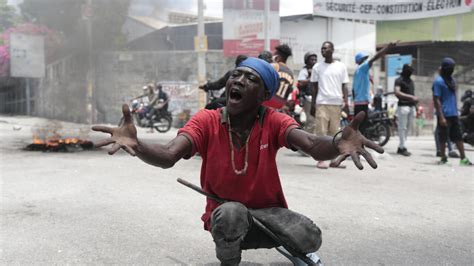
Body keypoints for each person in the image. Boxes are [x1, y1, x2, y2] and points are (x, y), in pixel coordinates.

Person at [92, 57, 384, 265]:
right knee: (232, 213)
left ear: (264, 95)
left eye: (251, 79)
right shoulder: (207, 120)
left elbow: (311, 144)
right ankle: (229, 260)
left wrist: (336, 143)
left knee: (310, 237)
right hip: (228, 218)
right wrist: (138, 144)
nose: (239, 81)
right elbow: (169, 155)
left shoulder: (273, 120)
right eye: (236, 75)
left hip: (269, 215)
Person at [309, 41, 350, 169]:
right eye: (322, 48)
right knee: (321, 132)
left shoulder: (341, 66)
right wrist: (313, 104)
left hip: (336, 103)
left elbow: (344, 85)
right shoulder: (317, 67)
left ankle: (333, 160)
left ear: (332, 50)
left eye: (325, 48)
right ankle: (321, 159)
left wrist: (347, 102)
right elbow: (314, 87)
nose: (323, 51)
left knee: (334, 133)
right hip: (322, 103)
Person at [433, 58, 472, 165]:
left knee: (458, 137)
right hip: (444, 114)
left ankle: (463, 159)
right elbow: (436, 99)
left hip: (453, 114)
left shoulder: (451, 80)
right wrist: (441, 117)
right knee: (443, 137)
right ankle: (443, 158)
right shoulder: (439, 81)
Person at [352, 41, 397, 134]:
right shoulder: (362, 68)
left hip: (358, 102)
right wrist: (387, 47)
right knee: (362, 128)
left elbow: (353, 90)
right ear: (360, 61)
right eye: (364, 59)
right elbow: (375, 58)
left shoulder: (357, 72)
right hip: (362, 102)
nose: (366, 61)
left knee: (359, 127)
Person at [394, 64, 417, 156]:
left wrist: (415, 104)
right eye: (409, 70)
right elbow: (397, 92)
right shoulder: (399, 80)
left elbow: (413, 93)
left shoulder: (411, 81)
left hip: (411, 107)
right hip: (403, 106)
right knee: (402, 128)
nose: (411, 72)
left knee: (408, 128)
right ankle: (402, 147)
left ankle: (401, 146)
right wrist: (411, 97)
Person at [263, 44, 295, 110]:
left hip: (268, 103)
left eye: (274, 54)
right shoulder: (291, 73)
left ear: (278, 56)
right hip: (280, 106)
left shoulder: (274, 66)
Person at [297, 51, 317, 133]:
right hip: (308, 98)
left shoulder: (316, 70)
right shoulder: (304, 71)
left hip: (317, 99)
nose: (314, 61)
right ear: (307, 60)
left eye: (315, 60)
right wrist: (310, 78)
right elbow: (301, 83)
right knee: (310, 121)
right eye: (311, 60)